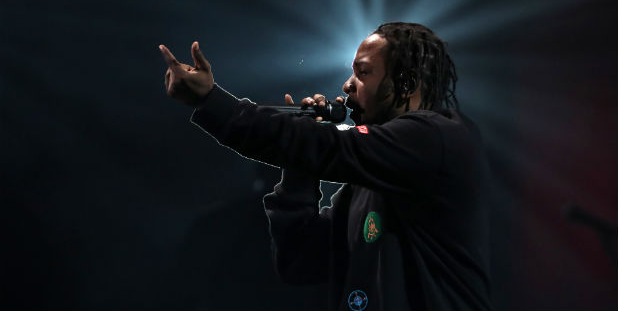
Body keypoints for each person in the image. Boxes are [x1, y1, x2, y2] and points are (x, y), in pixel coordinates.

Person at [159, 22, 492, 310]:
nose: (347, 87)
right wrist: (299, 169)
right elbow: (300, 262)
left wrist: (211, 101)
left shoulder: (437, 137)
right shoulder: (364, 184)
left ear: (404, 84)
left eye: (363, 73)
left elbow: (331, 146)